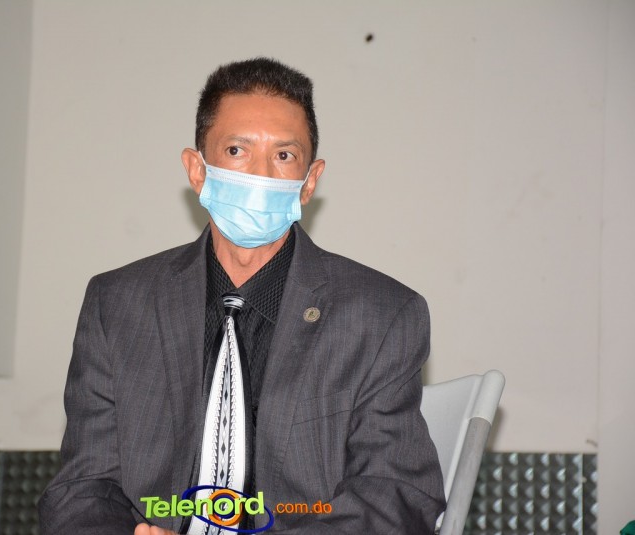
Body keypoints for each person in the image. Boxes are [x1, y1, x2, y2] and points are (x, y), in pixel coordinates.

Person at [38, 57, 445, 534]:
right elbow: (82, 488)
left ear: (310, 181)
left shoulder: (382, 315)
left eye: (284, 156)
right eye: (237, 150)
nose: (260, 175)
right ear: (197, 170)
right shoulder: (118, 305)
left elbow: (395, 493)